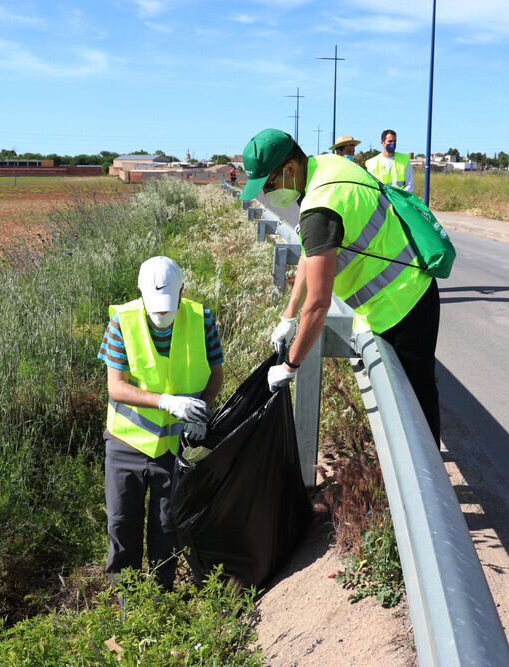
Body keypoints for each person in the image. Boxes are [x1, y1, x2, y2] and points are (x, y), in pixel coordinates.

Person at [241, 129, 442, 445]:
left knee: (413, 404)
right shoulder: (328, 167)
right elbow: (312, 252)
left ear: (290, 170)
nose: (267, 195)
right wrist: (288, 315)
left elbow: (319, 304)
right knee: (416, 394)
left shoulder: (319, 209)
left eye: (268, 185)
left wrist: (291, 365)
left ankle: (429, 480)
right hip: (412, 291)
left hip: (400, 309)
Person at [98, 256, 225, 591]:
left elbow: (215, 373)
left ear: (182, 291)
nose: (162, 317)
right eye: (155, 310)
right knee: (122, 525)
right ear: (140, 290)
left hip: (175, 448)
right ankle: (128, 607)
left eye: (168, 309)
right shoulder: (122, 323)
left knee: (165, 528)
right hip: (126, 444)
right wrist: (167, 402)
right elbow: (116, 387)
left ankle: (160, 602)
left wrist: (202, 413)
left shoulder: (202, 320)